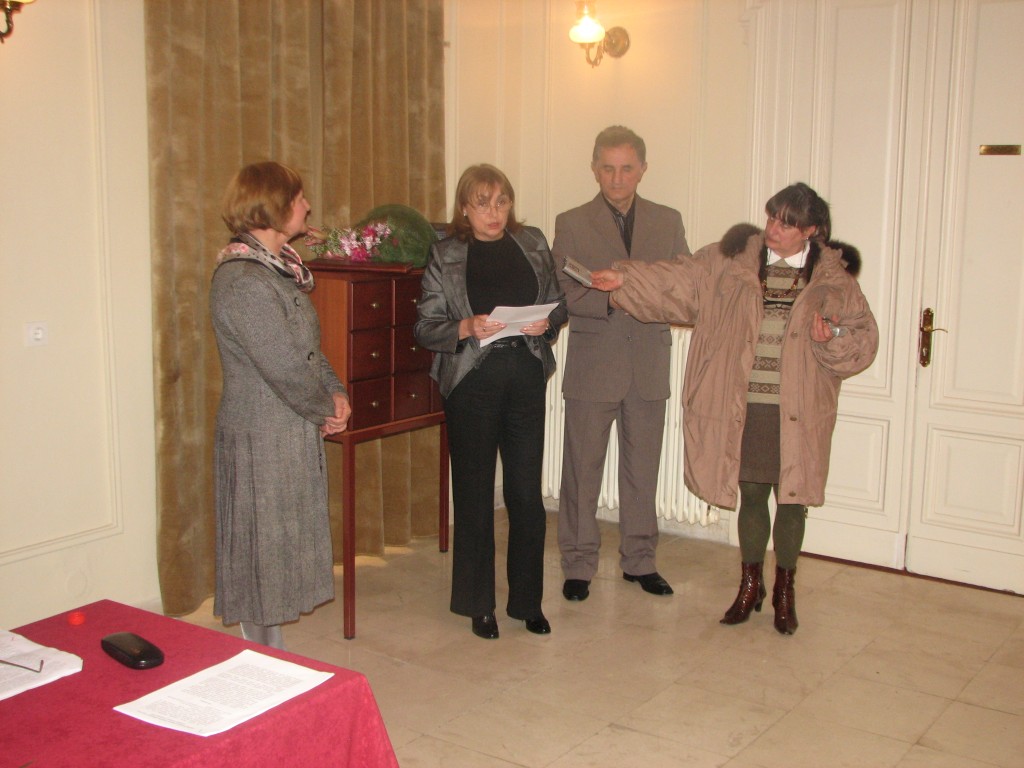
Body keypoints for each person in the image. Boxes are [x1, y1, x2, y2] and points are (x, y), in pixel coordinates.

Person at [588, 182, 879, 634]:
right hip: (745, 405)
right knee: (752, 495)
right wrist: (626, 279)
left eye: (787, 223)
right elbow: (678, 279)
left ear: (811, 231)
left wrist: (832, 338)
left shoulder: (833, 280)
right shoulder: (731, 262)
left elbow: (863, 339)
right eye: (772, 217)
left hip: (799, 411)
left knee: (793, 501)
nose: (774, 228)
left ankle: (784, 590)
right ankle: (750, 585)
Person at [414, 164, 568, 639]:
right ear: (465, 208)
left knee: (526, 495)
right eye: (483, 204)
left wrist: (548, 322)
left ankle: (527, 603)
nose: (494, 212)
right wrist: (465, 326)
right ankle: (478, 603)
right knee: (475, 495)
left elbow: (558, 302)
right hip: (472, 381)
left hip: (525, 375)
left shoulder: (533, 242)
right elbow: (425, 326)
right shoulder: (446, 253)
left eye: (501, 201)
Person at [210, 161, 352, 649]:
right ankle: (262, 657)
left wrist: (336, 392)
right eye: (298, 198)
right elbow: (283, 367)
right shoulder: (244, 281)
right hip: (261, 435)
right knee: (261, 555)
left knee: (278, 551)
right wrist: (325, 408)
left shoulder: (275, 270)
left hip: (286, 429)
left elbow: (307, 351)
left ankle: (271, 655)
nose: (307, 205)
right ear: (273, 205)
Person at [555, 125, 690, 602]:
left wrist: (629, 288)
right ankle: (578, 564)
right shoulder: (571, 222)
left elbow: (683, 290)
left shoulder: (668, 221)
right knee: (581, 472)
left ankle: (640, 561)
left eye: (626, 168)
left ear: (643, 169)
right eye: (608, 168)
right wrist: (611, 300)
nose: (617, 178)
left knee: (642, 472)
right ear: (595, 169)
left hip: (648, 365)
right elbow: (565, 293)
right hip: (594, 366)